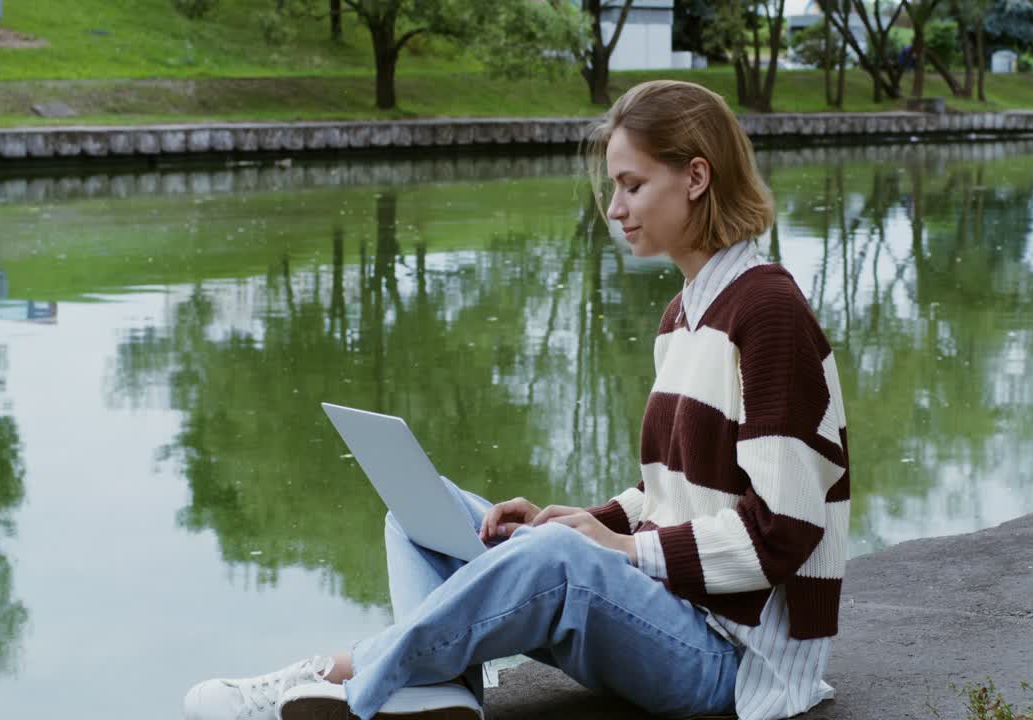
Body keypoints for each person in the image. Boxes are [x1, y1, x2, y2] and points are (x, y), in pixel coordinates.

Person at [182, 79, 851, 720]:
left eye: (632, 185)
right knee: (422, 515)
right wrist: (586, 521)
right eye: (615, 188)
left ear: (696, 178)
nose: (615, 210)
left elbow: (784, 531)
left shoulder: (768, 313)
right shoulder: (684, 316)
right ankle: (443, 697)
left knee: (554, 558)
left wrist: (620, 551)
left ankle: (342, 673)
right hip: (672, 609)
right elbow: (672, 494)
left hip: (732, 659)